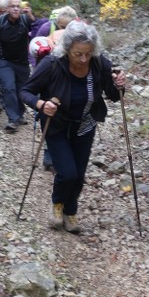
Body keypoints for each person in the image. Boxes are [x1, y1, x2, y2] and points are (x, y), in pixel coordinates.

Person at [21, 20, 126, 233]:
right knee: (67, 172)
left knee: (79, 174)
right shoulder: (51, 64)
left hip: (85, 125)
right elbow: (25, 91)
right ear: (67, 49)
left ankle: (71, 211)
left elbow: (114, 96)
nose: (83, 59)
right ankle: (57, 205)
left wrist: (120, 86)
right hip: (57, 125)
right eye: (78, 54)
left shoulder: (99, 64)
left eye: (88, 53)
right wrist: (42, 104)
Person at [0, 0, 35, 132]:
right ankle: (13, 119)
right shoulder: (0, 23)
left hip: (22, 63)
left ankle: (19, 113)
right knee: (8, 87)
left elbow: (38, 30)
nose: (16, 9)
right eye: (13, 6)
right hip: (4, 61)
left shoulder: (25, 21)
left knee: (21, 90)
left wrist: (30, 16)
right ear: (7, 8)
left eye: (18, 6)